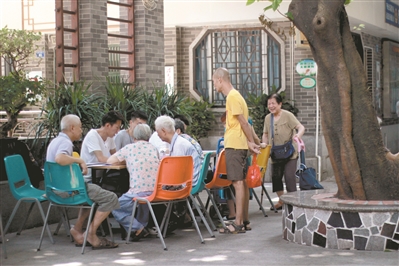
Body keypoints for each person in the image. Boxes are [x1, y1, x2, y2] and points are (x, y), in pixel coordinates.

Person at [46, 114, 119, 249]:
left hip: (55, 190)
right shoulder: (65, 142)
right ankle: (91, 234)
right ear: (72, 128)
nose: (81, 131)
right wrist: (79, 160)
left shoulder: (55, 141)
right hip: (68, 190)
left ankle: (77, 229)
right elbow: (59, 159)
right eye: (80, 128)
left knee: (91, 195)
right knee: (111, 198)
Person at [212, 67, 260, 234]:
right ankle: (244, 220)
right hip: (239, 144)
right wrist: (252, 142)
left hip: (235, 144)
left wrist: (251, 142)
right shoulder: (236, 96)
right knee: (242, 183)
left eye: (213, 82)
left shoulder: (232, 97)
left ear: (219, 79)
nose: (214, 86)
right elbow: (246, 122)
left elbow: (244, 123)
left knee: (237, 183)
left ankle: (238, 223)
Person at [107, 124, 159, 241]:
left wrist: (127, 161)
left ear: (134, 136)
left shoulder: (129, 148)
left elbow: (110, 161)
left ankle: (137, 228)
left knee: (114, 205)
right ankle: (141, 227)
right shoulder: (153, 148)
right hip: (155, 191)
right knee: (143, 202)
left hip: (138, 191)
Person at [262, 93, 305, 210]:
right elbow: (265, 134)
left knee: (290, 177)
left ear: (280, 104)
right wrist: (264, 145)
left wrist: (298, 136)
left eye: (273, 103)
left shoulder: (288, 115)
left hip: (290, 152)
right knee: (276, 178)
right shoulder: (267, 118)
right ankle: (282, 200)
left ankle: (294, 203)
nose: (271, 106)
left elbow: (301, 127)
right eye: (269, 103)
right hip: (275, 152)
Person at [154, 115, 202, 186]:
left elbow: (176, 173)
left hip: (187, 183)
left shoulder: (179, 145)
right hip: (190, 180)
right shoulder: (178, 142)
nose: (157, 135)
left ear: (164, 131)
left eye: (158, 132)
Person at [80, 110, 124, 183]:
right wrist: (119, 160)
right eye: (117, 128)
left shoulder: (110, 137)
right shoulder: (92, 135)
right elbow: (101, 159)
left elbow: (115, 155)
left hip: (102, 178)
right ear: (107, 125)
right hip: (89, 180)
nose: (118, 131)